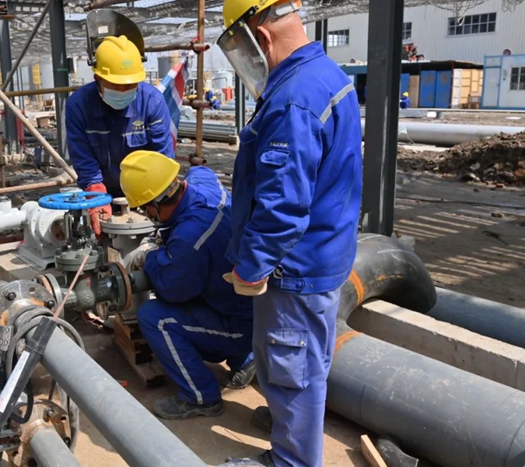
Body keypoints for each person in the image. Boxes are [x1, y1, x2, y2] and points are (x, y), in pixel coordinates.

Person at [217, 1, 363, 466]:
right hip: (322, 254)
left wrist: (250, 267)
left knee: (290, 371)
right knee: (303, 366)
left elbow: (281, 209)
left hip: (293, 269)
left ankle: (291, 460)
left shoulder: (292, 100)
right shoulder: (328, 76)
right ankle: (292, 435)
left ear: (259, 38)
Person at [119, 150, 256, 420]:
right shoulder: (202, 183)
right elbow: (200, 169)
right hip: (255, 304)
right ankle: (246, 360)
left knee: (155, 317)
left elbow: (173, 289)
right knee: (213, 284)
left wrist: (151, 257)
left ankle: (201, 397)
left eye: (144, 209)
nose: (146, 214)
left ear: (153, 206)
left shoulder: (190, 238)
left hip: (242, 325)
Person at [65, 35, 174, 236]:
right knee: (103, 236)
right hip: (104, 190)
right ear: (98, 79)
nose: (123, 91)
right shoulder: (78, 106)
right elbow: (83, 159)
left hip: (146, 191)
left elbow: (162, 158)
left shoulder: (152, 102)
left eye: (130, 85)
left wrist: (159, 203)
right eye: (115, 85)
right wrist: (97, 197)